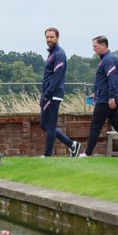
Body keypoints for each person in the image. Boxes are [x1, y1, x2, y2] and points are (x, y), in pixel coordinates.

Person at [40, 27, 81, 158]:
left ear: (57, 38)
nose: (49, 39)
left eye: (52, 37)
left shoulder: (59, 54)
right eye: (47, 37)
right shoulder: (52, 53)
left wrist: (47, 94)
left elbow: (57, 77)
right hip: (48, 93)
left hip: (53, 94)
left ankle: (47, 155)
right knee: (44, 124)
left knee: (50, 125)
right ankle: (72, 145)